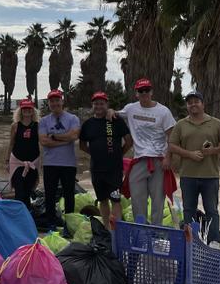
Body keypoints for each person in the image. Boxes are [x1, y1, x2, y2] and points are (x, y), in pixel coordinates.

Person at [110, 78, 176, 225]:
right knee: (137, 200)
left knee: (157, 200)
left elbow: (172, 135)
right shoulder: (131, 108)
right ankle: (141, 232)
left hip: (158, 161)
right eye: (141, 91)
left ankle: (157, 232)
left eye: (147, 90)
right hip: (139, 160)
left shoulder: (163, 111)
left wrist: (168, 157)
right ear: (136, 94)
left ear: (151, 92)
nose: (144, 93)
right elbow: (116, 113)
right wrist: (110, 111)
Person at [168, 91, 220, 244]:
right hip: (188, 176)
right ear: (187, 106)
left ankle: (213, 242)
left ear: (203, 103)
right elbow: (172, 145)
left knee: (212, 211)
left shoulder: (216, 123)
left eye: (196, 101)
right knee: (188, 210)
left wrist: (213, 151)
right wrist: (189, 154)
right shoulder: (181, 124)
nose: (193, 104)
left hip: (210, 176)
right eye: (190, 102)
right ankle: (190, 241)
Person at [79, 91, 133, 228]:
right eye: (96, 103)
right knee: (102, 200)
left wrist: (119, 153)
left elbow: (128, 141)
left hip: (114, 169)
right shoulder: (88, 124)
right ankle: (107, 229)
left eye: (101, 103)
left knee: (115, 199)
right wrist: (95, 153)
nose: (98, 106)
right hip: (97, 169)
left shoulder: (116, 120)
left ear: (106, 104)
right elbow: (82, 145)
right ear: (92, 105)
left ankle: (117, 229)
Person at [38, 90, 81, 224]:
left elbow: (74, 136)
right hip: (50, 163)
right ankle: (51, 222)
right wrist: (65, 140)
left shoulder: (73, 119)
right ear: (49, 103)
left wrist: (55, 136)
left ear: (62, 101)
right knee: (50, 194)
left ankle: (70, 223)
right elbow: (44, 141)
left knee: (69, 194)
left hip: (68, 163)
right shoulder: (44, 121)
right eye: (52, 101)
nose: (55, 103)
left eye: (57, 100)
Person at [6, 99, 40, 210]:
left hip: (33, 163)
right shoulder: (15, 126)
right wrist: (7, 161)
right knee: (19, 193)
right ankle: (18, 215)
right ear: (20, 111)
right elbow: (11, 143)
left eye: (29, 108)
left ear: (33, 110)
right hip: (17, 162)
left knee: (28, 192)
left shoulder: (38, 126)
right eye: (24, 108)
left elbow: (42, 142)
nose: (27, 110)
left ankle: (27, 216)